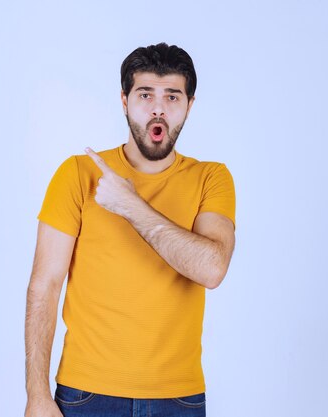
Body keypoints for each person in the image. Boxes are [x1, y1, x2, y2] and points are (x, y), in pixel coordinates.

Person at [24, 42, 236, 417]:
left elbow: (211, 268)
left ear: (190, 105)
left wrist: (130, 205)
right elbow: (45, 285)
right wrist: (37, 396)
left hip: (179, 399)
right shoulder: (77, 174)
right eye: (145, 95)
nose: (158, 108)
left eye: (172, 96)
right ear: (124, 101)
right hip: (85, 395)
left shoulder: (211, 178)